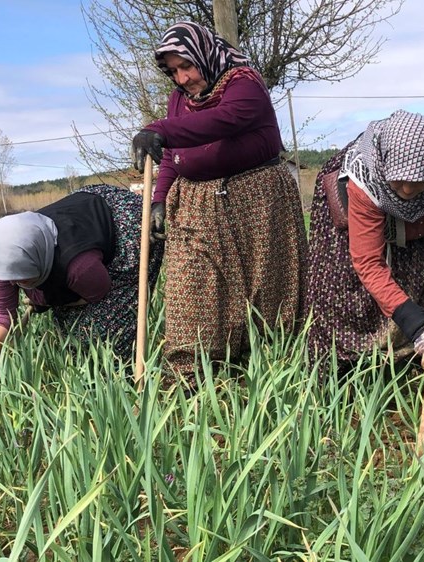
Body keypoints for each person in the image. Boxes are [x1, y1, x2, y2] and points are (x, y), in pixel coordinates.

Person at [130, 21, 307, 379]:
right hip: (195, 203)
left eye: (187, 66)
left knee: (267, 288)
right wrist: (159, 199)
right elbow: (173, 156)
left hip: (257, 199)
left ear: (205, 55)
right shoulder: (179, 99)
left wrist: (160, 129)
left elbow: (222, 121)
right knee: (191, 284)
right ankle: (189, 373)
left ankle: (272, 369)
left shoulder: (245, 84)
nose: (182, 79)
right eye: (174, 71)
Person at [305, 110, 424, 371]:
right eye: (399, 182)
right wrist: (416, 324)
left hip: (423, 230)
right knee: (352, 298)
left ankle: (411, 361)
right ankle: (351, 368)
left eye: (419, 182)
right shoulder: (364, 178)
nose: (408, 190)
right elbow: (368, 263)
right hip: (356, 227)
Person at [0, 184, 163, 371]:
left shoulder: (80, 268)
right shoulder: (1, 262)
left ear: (38, 263)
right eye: (10, 278)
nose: (13, 284)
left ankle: (121, 374)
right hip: (80, 217)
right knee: (69, 334)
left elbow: (98, 292)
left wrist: (46, 299)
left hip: (128, 225)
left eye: (22, 278)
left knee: (106, 328)